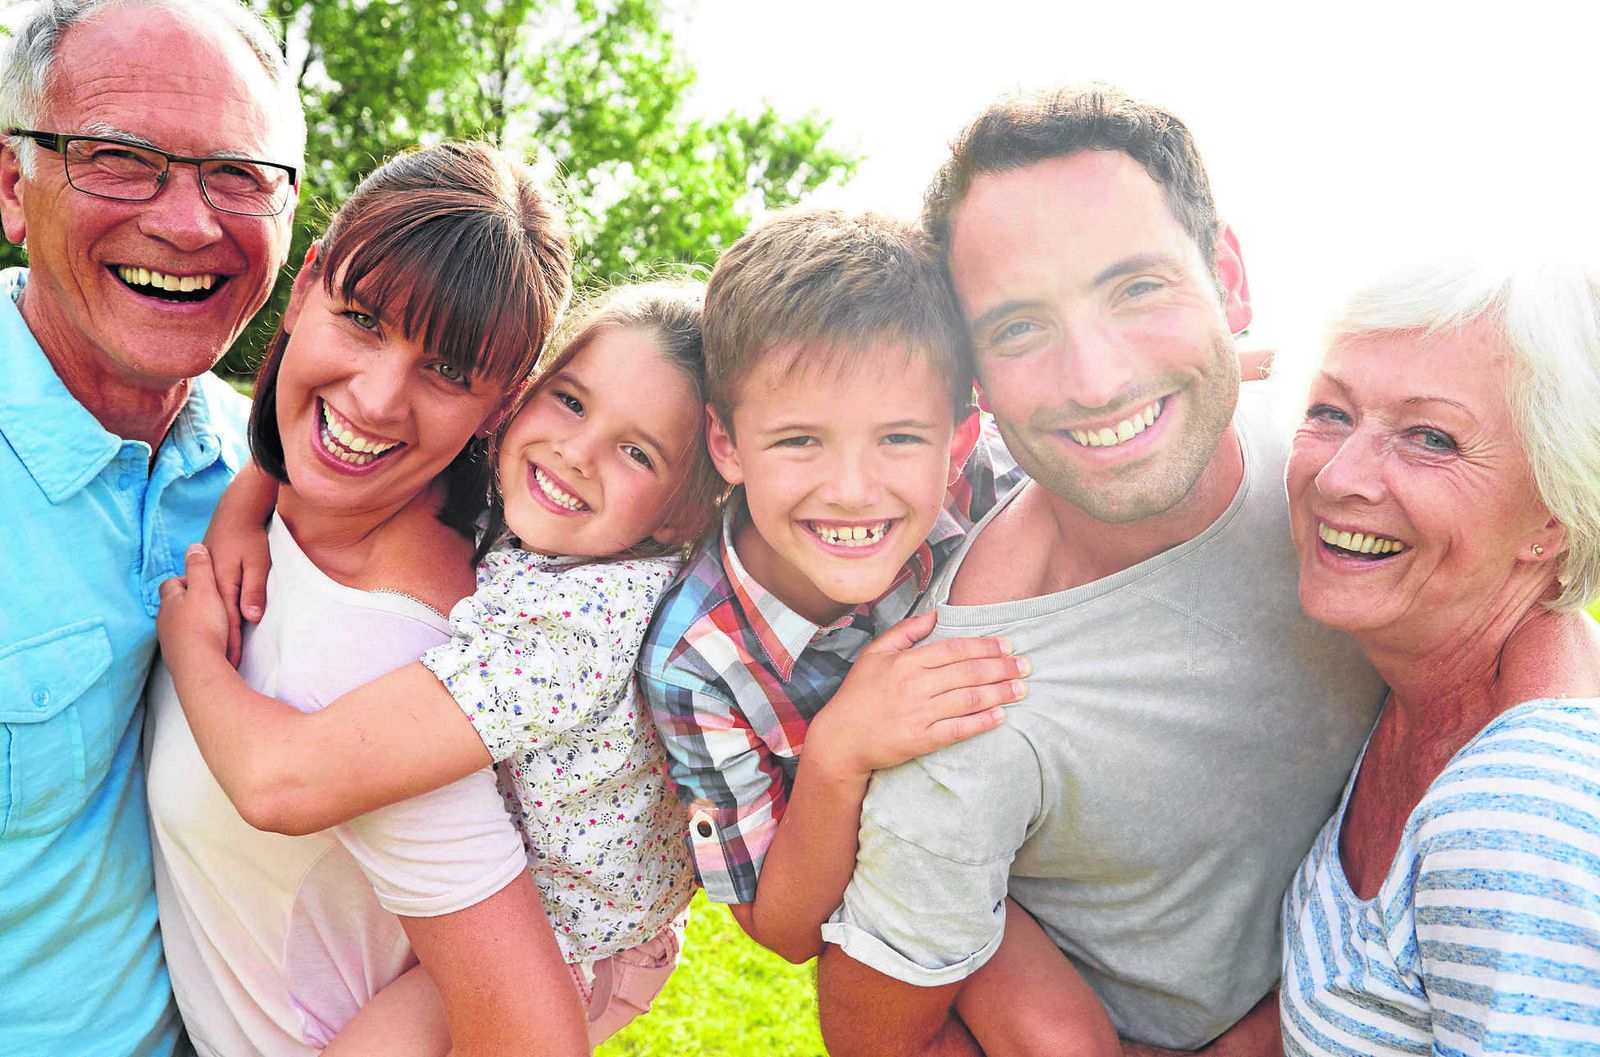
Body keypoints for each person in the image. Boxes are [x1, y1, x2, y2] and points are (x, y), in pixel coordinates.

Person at [815, 85, 1387, 1057]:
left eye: (1135, 288)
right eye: (1020, 328)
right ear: (976, 382)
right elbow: (879, 1039)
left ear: (1228, 277)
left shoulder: (1347, 472)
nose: (1096, 379)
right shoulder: (967, 704)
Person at [155, 274, 722, 1049]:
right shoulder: (539, 495)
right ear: (520, 398)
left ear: (685, 510)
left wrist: (192, 648)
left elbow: (281, 784)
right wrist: (240, 514)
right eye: (572, 401)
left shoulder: (576, 631)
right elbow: (319, 427)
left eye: (636, 451)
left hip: (584, 946)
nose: (576, 452)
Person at [145, 140, 591, 1057]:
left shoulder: (382, 664)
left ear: (501, 406)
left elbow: (533, 1037)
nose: (378, 398)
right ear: (305, 284)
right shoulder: (281, 500)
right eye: (361, 319)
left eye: (449, 371)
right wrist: (253, 493)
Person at [637, 209, 1121, 1053]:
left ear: (961, 437)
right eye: (798, 440)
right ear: (727, 440)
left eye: (899, 437)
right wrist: (840, 750)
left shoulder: (985, 486)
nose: (854, 490)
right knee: (1058, 1039)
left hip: (1056, 827)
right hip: (895, 890)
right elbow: (780, 930)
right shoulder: (698, 662)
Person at [0, 1, 304, 1052]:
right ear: (11, 185)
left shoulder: (295, 482)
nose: (187, 223)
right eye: (120, 159)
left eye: (239, 174)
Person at [1278, 258, 1600, 1056]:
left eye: (1431, 437)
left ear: (1555, 514)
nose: (1338, 475)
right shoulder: (1411, 674)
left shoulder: (1520, 817)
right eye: (1329, 411)